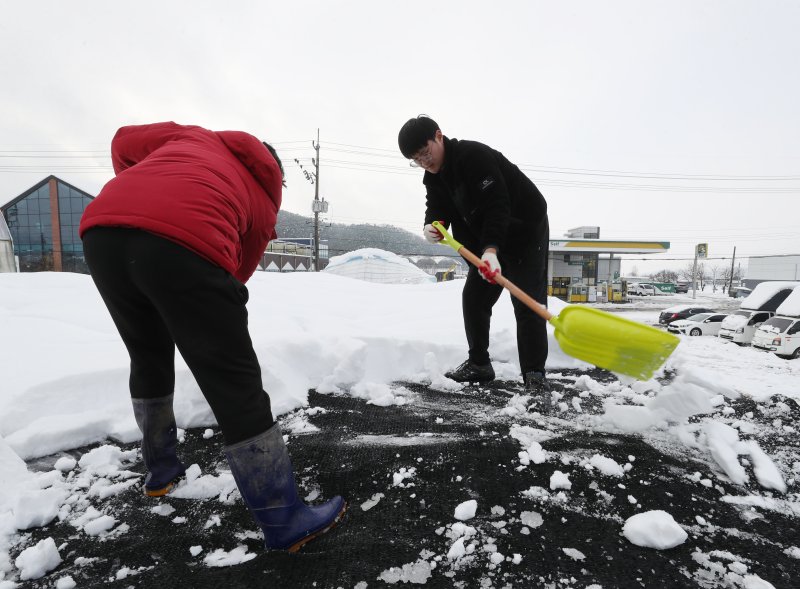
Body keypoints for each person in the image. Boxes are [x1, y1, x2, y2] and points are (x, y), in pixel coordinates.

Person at [79, 121, 345, 551]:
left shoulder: (192, 136)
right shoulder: (264, 193)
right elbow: (238, 269)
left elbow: (122, 140)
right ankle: (284, 518)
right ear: (273, 171)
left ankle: (161, 472)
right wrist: (203, 313)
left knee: (147, 354)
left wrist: (137, 184)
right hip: (184, 240)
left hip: (103, 230)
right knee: (233, 380)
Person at [398, 115, 551, 411]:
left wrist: (492, 249)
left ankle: (534, 376)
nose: (424, 161)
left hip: (523, 231)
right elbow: (437, 208)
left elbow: (498, 206)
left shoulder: (473, 156)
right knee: (474, 298)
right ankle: (479, 364)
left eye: (425, 152)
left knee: (528, 303)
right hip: (485, 243)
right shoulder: (434, 177)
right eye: (416, 159)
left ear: (439, 136)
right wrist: (432, 225)